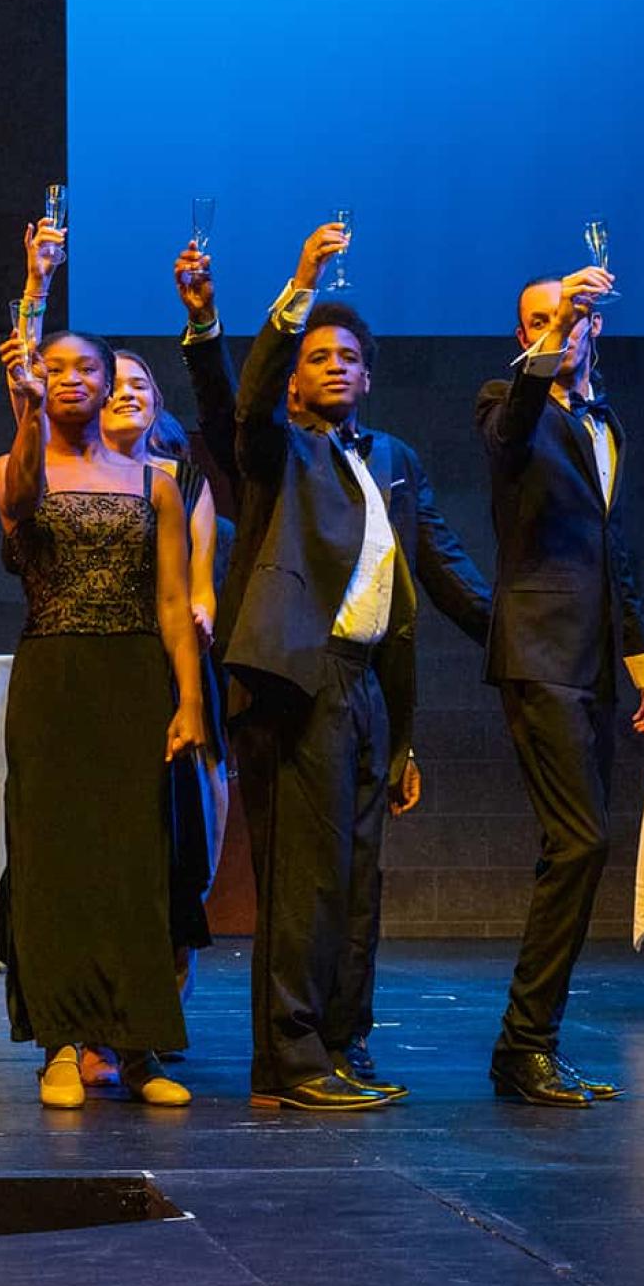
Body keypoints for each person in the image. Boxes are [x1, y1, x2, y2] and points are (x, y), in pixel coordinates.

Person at [175, 227, 491, 1110]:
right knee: (303, 881)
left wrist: (515, 639)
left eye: (350, 357)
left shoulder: (392, 460)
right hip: (294, 680)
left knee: (356, 883)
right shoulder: (277, 450)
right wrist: (297, 287)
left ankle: (341, 1046)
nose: (336, 366)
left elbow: (444, 566)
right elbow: (235, 405)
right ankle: (291, 1059)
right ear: (296, 375)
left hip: (365, 690)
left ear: (370, 375)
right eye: (319, 355)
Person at [0, 250, 211, 1110]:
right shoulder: (17, 468)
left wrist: (188, 700)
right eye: (56, 365)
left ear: (114, 383)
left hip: (133, 680)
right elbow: (22, 507)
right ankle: (60, 1044)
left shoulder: (155, 482)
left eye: (88, 367)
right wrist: (27, 383)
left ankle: (139, 1045)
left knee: (134, 864)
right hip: (53, 676)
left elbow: (171, 600)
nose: (72, 377)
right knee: (56, 862)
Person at [476, 264, 644, 1107]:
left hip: (594, 662)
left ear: (600, 328)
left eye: (573, 315)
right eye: (540, 320)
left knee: (579, 852)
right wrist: (549, 349)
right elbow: (511, 428)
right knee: (580, 840)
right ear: (526, 336)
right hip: (538, 654)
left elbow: (615, 552)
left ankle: (530, 1047)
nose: (559, 326)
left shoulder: (607, 424)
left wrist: (643, 664)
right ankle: (523, 1045)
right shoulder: (505, 404)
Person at [105, 351, 229, 1011]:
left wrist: (198, 613)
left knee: (184, 846)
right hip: (103, 669)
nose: (128, 394)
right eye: (114, 384)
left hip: (171, 666)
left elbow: (201, 585)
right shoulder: (72, 477)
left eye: (140, 384)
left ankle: (161, 1003)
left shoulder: (183, 482)